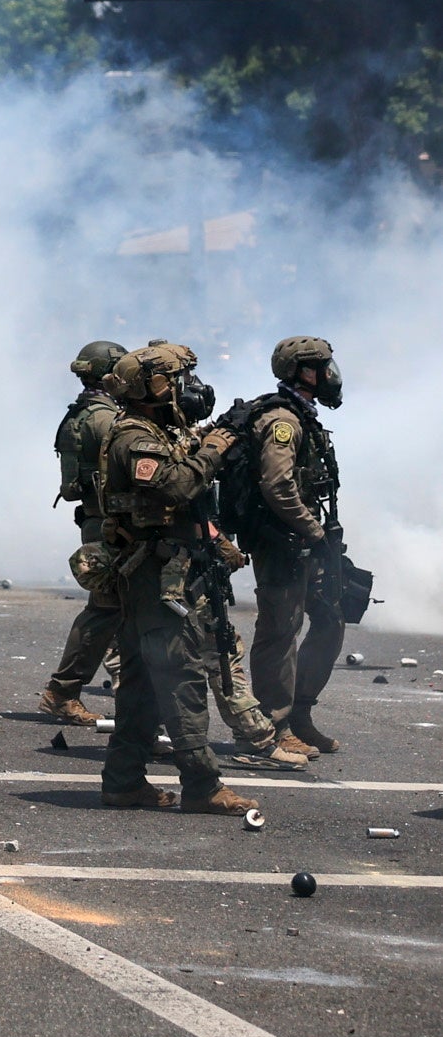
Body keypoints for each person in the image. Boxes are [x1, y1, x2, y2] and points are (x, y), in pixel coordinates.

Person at [95, 343, 254, 814]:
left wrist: (222, 433)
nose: (189, 389)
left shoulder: (161, 431)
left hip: (166, 570)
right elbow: (176, 484)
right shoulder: (134, 437)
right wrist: (215, 446)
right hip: (154, 577)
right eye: (180, 379)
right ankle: (204, 785)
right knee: (181, 677)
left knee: (143, 680)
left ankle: (123, 781)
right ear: (153, 388)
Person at [244, 336, 351, 755]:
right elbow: (277, 484)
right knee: (280, 631)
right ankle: (272, 725)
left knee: (330, 619)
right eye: (322, 367)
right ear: (305, 372)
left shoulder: (303, 416)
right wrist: (314, 531)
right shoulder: (282, 421)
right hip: (282, 541)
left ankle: (300, 713)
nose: (330, 375)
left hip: (304, 539)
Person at [38, 341, 126, 725]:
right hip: (109, 525)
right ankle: (63, 691)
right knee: (105, 611)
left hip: (95, 520)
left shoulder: (83, 413)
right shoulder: (106, 420)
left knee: (114, 610)